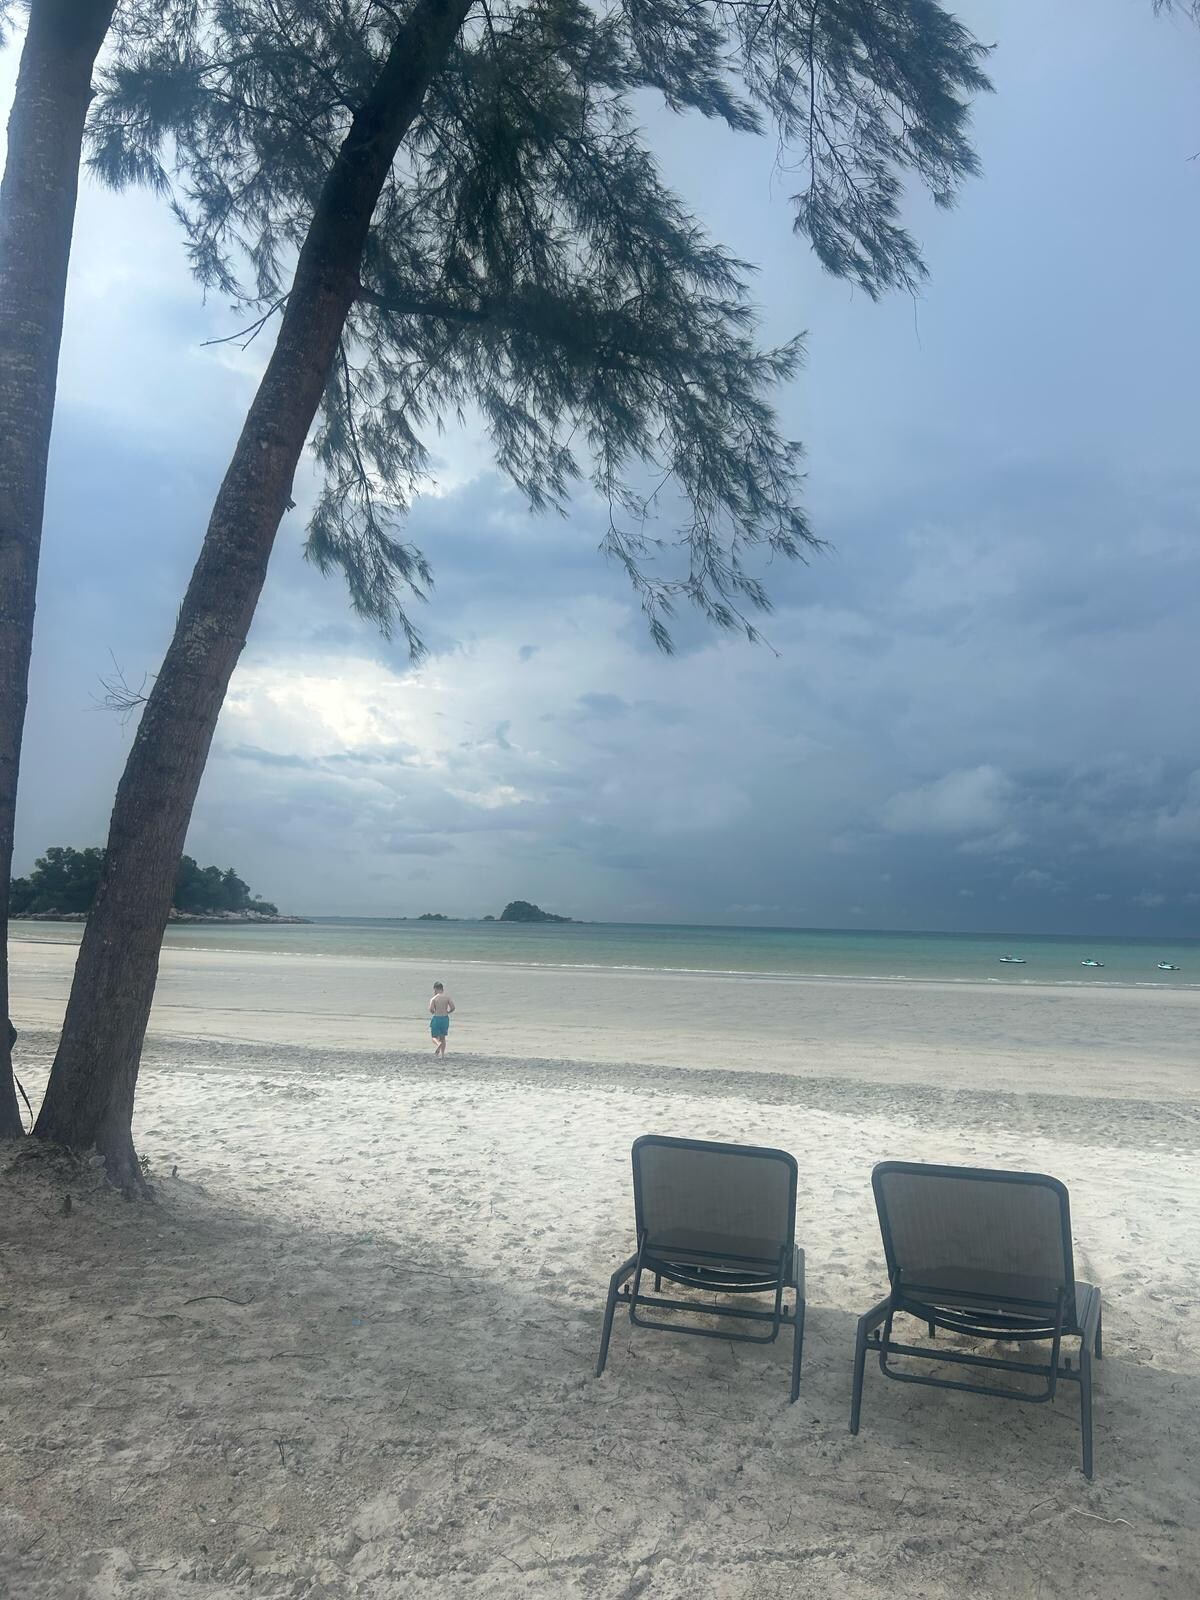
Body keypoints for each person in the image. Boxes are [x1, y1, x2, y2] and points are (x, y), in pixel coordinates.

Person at [428, 981, 455, 1057]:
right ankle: (442, 1055)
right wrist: (448, 1012)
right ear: (442, 989)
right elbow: (453, 1007)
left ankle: (438, 1044)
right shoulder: (447, 997)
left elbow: (431, 1010)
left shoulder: (433, 999)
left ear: (435, 989)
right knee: (443, 1037)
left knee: (434, 1037)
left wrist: (434, 1011)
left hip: (437, 1018)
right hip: (445, 1018)